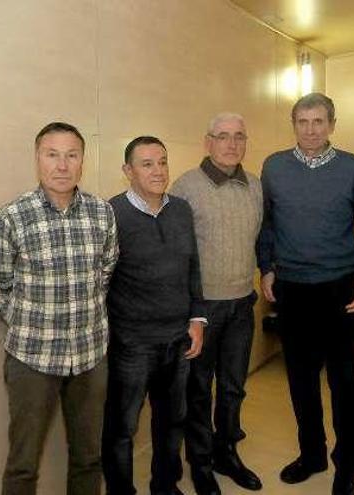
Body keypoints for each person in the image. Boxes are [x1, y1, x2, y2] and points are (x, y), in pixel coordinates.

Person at [257, 92, 354, 495]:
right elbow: (266, 224)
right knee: (300, 381)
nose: (310, 130)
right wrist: (267, 267)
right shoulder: (274, 166)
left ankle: (348, 465)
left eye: (318, 122)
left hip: (338, 289)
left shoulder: (352, 168)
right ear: (293, 124)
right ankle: (311, 454)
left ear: (332, 124)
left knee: (345, 383)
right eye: (302, 122)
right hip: (292, 290)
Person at [0, 122, 119, 495]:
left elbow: (105, 273)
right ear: (38, 159)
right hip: (32, 359)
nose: (62, 165)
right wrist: (29, 323)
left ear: (82, 162)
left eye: (71, 155)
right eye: (52, 154)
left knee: (89, 458)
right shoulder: (12, 216)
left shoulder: (102, 213)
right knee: (23, 464)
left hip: (90, 358)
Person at [102, 136, 206, 495]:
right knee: (122, 428)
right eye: (147, 164)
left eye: (162, 161)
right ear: (127, 171)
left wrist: (197, 319)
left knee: (172, 421)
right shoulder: (111, 215)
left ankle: (166, 486)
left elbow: (193, 267)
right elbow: (100, 281)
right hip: (132, 345)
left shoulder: (180, 209)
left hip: (177, 340)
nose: (158, 170)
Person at [171, 112, 263, 494]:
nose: (231, 144)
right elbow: (177, 253)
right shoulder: (186, 187)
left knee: (233, 387)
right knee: (199, 389)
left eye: (239, 136)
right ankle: (201, 463)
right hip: (202, 310)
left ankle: (227, 452)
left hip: (242, 303)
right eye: (223, 136)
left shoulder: (255, 186)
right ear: (207, 142)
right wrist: (190, 308)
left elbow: (260, 238)